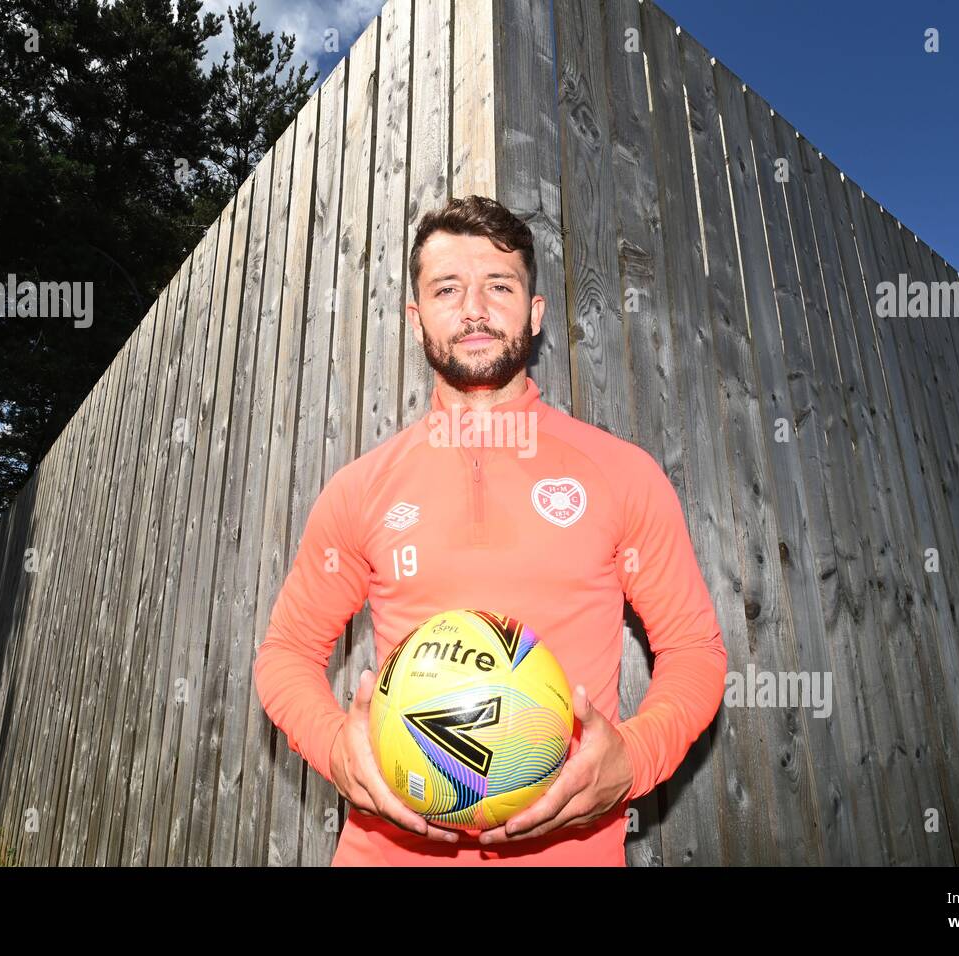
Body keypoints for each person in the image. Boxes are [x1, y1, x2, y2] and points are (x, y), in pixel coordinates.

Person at [253, 195, 727, 865]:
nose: (474, 308)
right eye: (448, 288)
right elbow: (285, 654)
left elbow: (695, 650)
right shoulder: (360, 490)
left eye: (498, 285)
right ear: (418, 321)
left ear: (534, 315)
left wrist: (635, 759)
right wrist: (335, 747)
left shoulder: (622, 474)